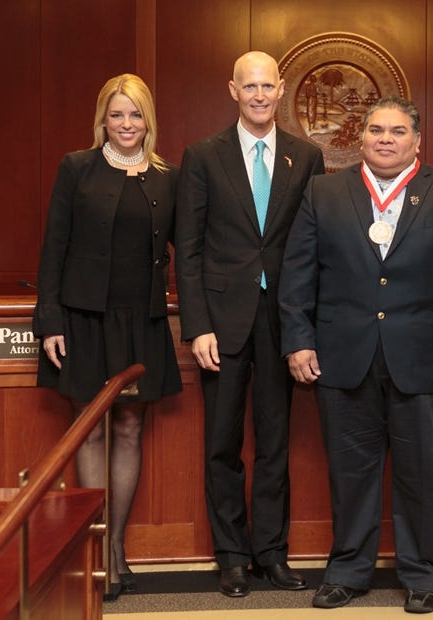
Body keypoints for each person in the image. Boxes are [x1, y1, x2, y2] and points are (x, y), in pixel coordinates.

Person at [279, 95, 433, 614]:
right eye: (376, 130)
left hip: (428, 362)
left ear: (417, 140)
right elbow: (297, 277)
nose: (385, 139)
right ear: (361, 137)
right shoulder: (324, 192)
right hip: (342, 357)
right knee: (350, 474)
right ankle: (347, 571)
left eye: (398, 132)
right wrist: (298, 339)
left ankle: (424, 575)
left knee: (424, 473)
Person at [174, 51, 325, 598]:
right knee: (222, 443)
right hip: (223, 322)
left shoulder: (305, 157)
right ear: (232, 90)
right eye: (249, 87)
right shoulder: (202, 156)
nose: (260, 96)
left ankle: (271, 553)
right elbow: (186, 250)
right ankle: (232, 556)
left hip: (282, 318)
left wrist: (306, 324)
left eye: (268, 86)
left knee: (276, 442)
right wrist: (198, 326)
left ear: (280, 90)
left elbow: (311, 247)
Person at [33, 73, 181, 601]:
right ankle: (93, 552)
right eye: (117, 115)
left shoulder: (168, 177)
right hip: (83, 320)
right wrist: (49, 319)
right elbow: (53, 248)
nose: (126, 124)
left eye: (136, 115)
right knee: (89, 430)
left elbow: (185, 251)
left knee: (127, 432)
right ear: (103, 120)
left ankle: (116, 549)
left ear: (149, 121)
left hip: (140, 321)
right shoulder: (77, 168)